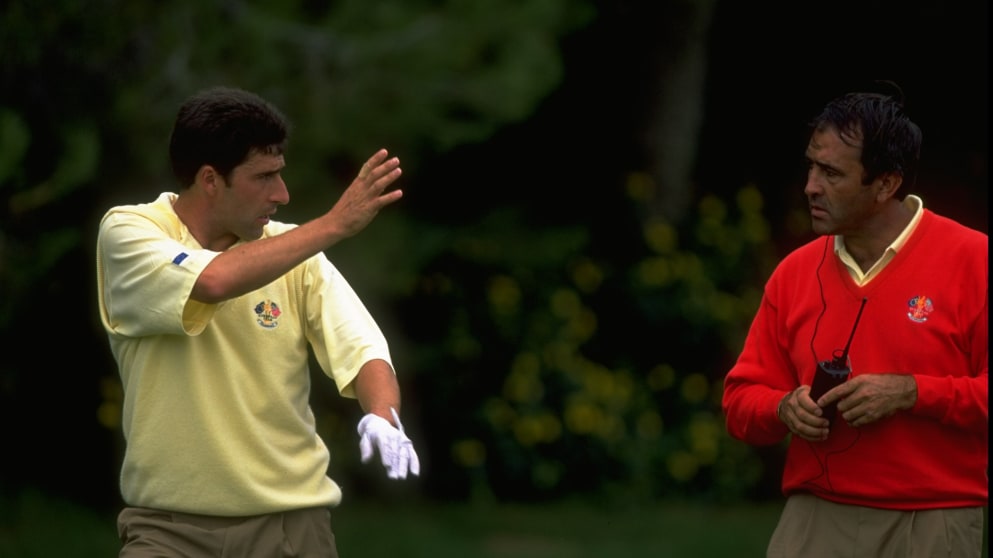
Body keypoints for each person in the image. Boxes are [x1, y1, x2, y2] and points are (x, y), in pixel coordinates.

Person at [96, 86, 421, 557]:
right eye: (264, 176)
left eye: (280, 173)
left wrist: (382, 416)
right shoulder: (129, 231)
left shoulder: (297, 252)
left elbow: (363, 348)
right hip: (167, 533)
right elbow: (212, 280)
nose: (282, 194)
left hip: (292, 529)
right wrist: (335, 224)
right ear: (211, 179)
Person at [722, 86, 987, 557]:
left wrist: (913, 392)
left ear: (885, 184)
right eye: (811, 167)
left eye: (830, 173)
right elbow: (740, 402)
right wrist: (783, 407)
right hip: (814, 518)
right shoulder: (793, 273)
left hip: (933, 520)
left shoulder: (975, 260)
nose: (810, 186)